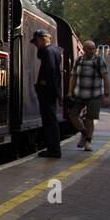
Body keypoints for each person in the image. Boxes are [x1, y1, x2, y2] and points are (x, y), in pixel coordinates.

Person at [67, 39, 109, 151]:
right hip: (79, 94)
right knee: (72, 115)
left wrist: (106, 95)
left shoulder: (99, 61)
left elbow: (105, 78)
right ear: (84, 50)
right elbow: (73, 76)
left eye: (94, 48)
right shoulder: (78, 60)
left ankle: (88, 142)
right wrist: (70, 92)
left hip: (94, 95)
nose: (92, 51)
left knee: (90, 119)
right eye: (89, 49)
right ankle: (84, 133)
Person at [31, 29, 63, 158]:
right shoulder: (56, 50)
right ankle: (53, 149)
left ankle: (53, 150)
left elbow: (50, 70)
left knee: (49, 121)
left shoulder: (48, 52)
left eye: (36, 42)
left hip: (47, 92)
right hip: (52, 91)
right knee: (51, 121)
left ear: (42, 39)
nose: (36, 45)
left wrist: (41, 85)